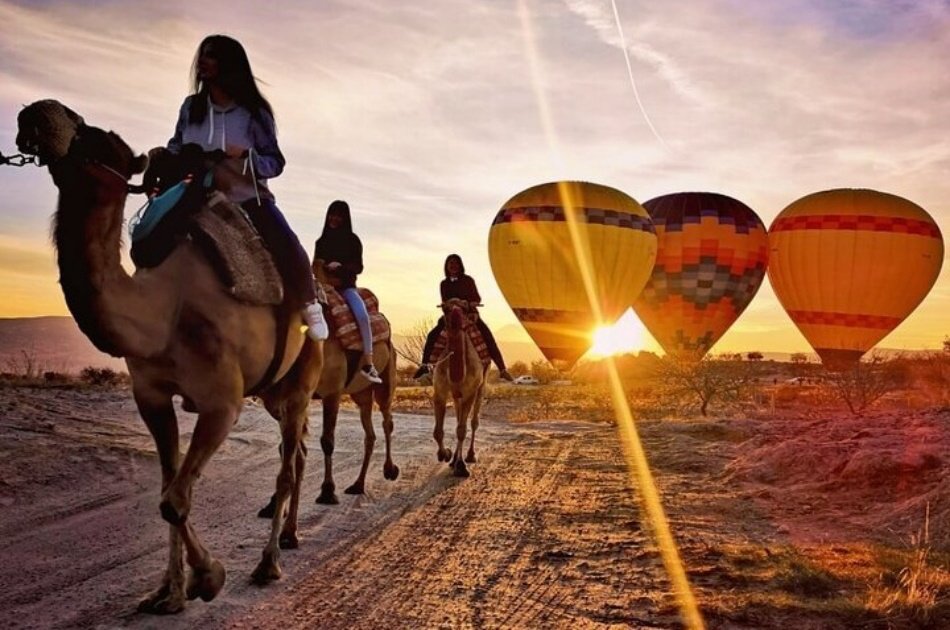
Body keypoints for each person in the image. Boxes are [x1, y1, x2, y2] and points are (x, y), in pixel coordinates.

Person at [166, 34, 328, 342]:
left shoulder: (254, 112)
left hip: (245, 198)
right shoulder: (191, 108)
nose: (202, 61)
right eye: (202, 55)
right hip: (194, 197)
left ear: (228, 64)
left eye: (211, 56)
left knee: (284, 238)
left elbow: (275, 162)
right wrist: (166, 159)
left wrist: (246, 156)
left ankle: (309, 304)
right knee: (151, 233)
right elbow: (176, 145)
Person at [413, 254, 513, 382]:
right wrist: (448, 305)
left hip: (469, 314)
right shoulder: (444, 283)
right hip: (450, 315)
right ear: (446, 266)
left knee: (487, 336)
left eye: (455, 263)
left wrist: (465, 303)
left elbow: (477, 298)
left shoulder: (468, 280)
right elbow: (444, 301)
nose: (453, 266)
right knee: (432, 335)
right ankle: (425, 366)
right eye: (450, 264)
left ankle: (502, 369)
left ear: (460, 265)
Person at [313, 200, 382, 384]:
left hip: (346, 288)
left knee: (361, 315)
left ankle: (368, 361)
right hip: (322, 288)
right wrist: (321, 268)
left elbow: (358, 267)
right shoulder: (321, 242)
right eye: (331, 215)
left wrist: (341, 268)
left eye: (338, 216)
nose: (334, 219)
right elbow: (315, 265)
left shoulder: (352, 240)